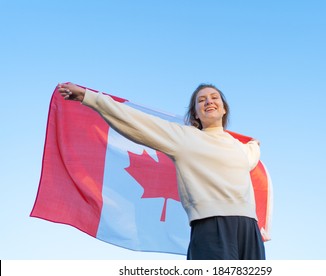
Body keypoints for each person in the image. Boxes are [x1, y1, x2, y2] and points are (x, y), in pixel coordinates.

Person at [58, 82, 265, 260]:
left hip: (250, 230)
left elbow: (251, 156)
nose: (209, 101)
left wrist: (255, 145)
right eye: (201, 100)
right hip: (212, 227)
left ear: (224, 108)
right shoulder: (184, 138)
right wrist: (89, 97)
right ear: (195, 113)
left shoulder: (240, 147)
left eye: (214, 97)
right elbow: (138, 121)